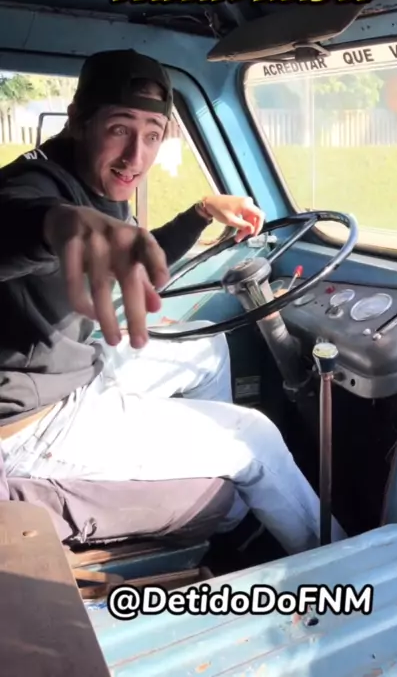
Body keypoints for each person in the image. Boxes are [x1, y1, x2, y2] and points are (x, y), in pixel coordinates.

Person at [0, 49, 344, 555]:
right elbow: (15, 223)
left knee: (207, 349)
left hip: (73, 369)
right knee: (253, 436)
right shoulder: (33, 186)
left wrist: (200, 212)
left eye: (153, 134)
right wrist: (58, 225)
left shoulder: (87, 176)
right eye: (119, 128)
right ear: (78, 120)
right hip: (31, 423)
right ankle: (344, 563)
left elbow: (134, 256)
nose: (135, 157)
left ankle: (232, 504)